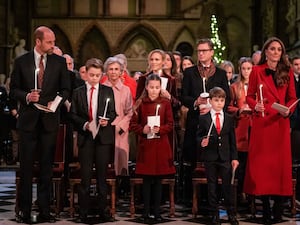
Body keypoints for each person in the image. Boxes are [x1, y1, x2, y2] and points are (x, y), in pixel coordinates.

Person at [10, 26, 70, 223]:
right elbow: (14, 90)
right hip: (28, 122)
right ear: (38, 41)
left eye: (53, 42)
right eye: (49, 42)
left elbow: (65, 89)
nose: (53, 45)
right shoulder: (21, 62)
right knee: (26, 168)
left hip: (49, 121)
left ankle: (45, 210)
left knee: (46, 167)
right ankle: (24, 211)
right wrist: (27, 96)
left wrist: (56, 102)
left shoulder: (59, 61)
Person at [244, 37, 297, 224]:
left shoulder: (287, 71)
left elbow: (292, 97)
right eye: (272, 49)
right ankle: (265, 210)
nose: (276, 52)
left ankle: (278, 211)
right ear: (266, 51)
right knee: (263, 168)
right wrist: (255, 105)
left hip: (280, 124)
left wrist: (289, 109)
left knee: (279, 168)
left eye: (279, 50)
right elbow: (249, 96)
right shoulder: (257, 71)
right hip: (263, 123)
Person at [181, 38, 230, 205]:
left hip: (215, 123)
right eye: (199, 51)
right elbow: (184, 97)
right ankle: (193, 199)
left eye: (204, 50)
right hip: (195, 123)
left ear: (211, 52)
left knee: (212, 161)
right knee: (194, 159)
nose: (201, 53)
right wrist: (195, 102)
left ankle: (213, 199)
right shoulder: (189, 73)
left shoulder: (221, 74)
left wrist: (213, 108)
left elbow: (227, 99)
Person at [70, 58, 116, 223]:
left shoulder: (107, 91)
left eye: (97, 75)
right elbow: (73, 115)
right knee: (86, 177)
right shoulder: (78, 92)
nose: (94, 78)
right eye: (91, 75)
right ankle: (83, 212)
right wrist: (84, 124)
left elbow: (112, 112)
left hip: (103, 138)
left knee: (102, 178)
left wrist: (107, 120)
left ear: (101, 75)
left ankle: (103, 211)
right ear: (86, 74)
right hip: (86, 138)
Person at [130, 74, 176, 222]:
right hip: (146, 147)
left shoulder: (165, 103)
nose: (154, 90)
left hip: (161, 146)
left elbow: (170, 124)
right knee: (147, 182)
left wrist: (160, 129)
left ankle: (157, 212)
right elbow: (133, 125)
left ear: (160, 88)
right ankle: (145, 212)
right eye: (151, 87)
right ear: (146, 87)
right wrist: (143, 130)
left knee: (158, 182)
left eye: (157, 87)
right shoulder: (140, 103)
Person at [198, 87, 239, 225]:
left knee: (228, 187)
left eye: (222, 100)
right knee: (212, 187)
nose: (219, 103)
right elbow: (198, 136)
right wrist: (202, 141)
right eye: (216, 100)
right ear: (210, 101)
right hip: (210, 158)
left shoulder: (228, 118)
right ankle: (214, 214)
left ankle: (231, 213)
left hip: (225, 158)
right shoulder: (203, 118)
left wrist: (234, 158)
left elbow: (232, 140)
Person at [227, 57, 253, 204]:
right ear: (240, 69)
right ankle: (238, 195)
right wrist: (239, 110)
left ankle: (250, 194)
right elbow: (229, 107)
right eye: (244, 68)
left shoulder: (258, 86)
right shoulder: (234, 87)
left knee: (252, 164)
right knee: (240, 164)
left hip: (254, 128)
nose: (246, 71)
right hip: (240, 129)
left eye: (249, 68)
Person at [102, 57, 133, 176]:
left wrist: (121, 125)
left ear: (121, 72)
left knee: (120, 161)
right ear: (106, 72)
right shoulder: (102, 89)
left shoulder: (126, 90)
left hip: (120, 130)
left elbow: (129, 112)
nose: (113, 72)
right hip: (104, 128)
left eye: (116, 69)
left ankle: (121, 185)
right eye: (111, 69)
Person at [290, 56, 300, 201]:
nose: (299, 66)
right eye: (296, 64)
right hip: (294, 125)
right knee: (294, 161)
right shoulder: (289, 79)